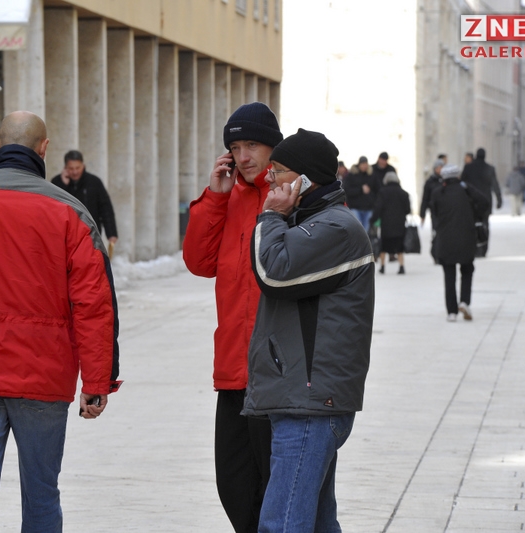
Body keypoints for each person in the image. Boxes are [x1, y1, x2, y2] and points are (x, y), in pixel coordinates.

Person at [0, 111, 121, 533]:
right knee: (42, 490)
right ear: (44, 149)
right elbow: (94, 303)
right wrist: (97, 380)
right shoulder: (69, 211)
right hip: (43, 375)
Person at [243, 128, 375, 533]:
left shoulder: (335, 229)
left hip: (310, 404)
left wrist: (271, 216)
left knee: (283, 524)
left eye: (278, 170)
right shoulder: (313, 223)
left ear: (306, 179)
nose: (269, 179)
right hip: (305, 400)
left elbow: (273, 271)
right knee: (316, 523)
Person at [182, 101, 282, 533]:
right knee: (235, 484)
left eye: (252, 146)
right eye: (235, 148)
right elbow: (199, 262)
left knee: (278, 486)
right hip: (233, 368)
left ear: (273, 146)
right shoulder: (229, 197)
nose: (243, 156)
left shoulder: (290, 194)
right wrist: (214, 198)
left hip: (278, 371)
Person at [430, 164, 490, 322]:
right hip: (466, 237)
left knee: (449, 275)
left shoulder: (438, 192)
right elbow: (484, 202)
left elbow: (434, 213)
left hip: (445, 239)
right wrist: (474, 215)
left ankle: (451, 312)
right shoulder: (465, 190)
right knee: (467, 270)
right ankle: (464, 302)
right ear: (458, 176)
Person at [51, 150, 118, 244]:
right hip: (66, 236)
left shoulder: (94, 182)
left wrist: (111, 233)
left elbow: (105, 208)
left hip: (91, 235)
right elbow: (53, 208)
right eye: (71, 168)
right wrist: (63, 185)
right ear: (65, 168)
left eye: (77, 168)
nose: (75, 172)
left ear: (83, 165)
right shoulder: (56, 183)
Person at [461, 148, 501, 256]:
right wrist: (499, 199)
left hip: (471, 201)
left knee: (471, 224)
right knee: (485, 224)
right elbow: (495, 185)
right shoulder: (490, 168)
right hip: (485, 201)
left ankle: (473, 248)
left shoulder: (468, 167)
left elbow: (462, 183)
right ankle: (483, 248)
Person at [372, 171, 411, 274]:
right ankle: (401, 267)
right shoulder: (404, 193)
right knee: (399, 247)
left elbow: (378, 208)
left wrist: (373, 219)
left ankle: (382, 267)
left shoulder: (382, 192)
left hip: (386, 224)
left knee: (384, 246)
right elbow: (407, 210)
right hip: (399, 224)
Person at [342, 155, 380, 229]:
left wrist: (372, 199)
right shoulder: (351, 175)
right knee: (357, 229)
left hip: (369, 208)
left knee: (366, 230)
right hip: (355, 207)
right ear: (359, 164)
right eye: (362, 164)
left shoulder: (372, 175)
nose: (364, 166)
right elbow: (347, 190)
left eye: (365, 164)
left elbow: (378, 190)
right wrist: (360, 190)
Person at [420, 159, 445, 263]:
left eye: (442, 167)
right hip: (435, 212)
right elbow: (425, 198)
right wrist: (422, 214)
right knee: (436, 233)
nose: (440, 169)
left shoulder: (446, 180)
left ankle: (443, 254)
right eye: (439, 167)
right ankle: (435, 254)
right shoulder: (430, 182)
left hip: (446, 211)